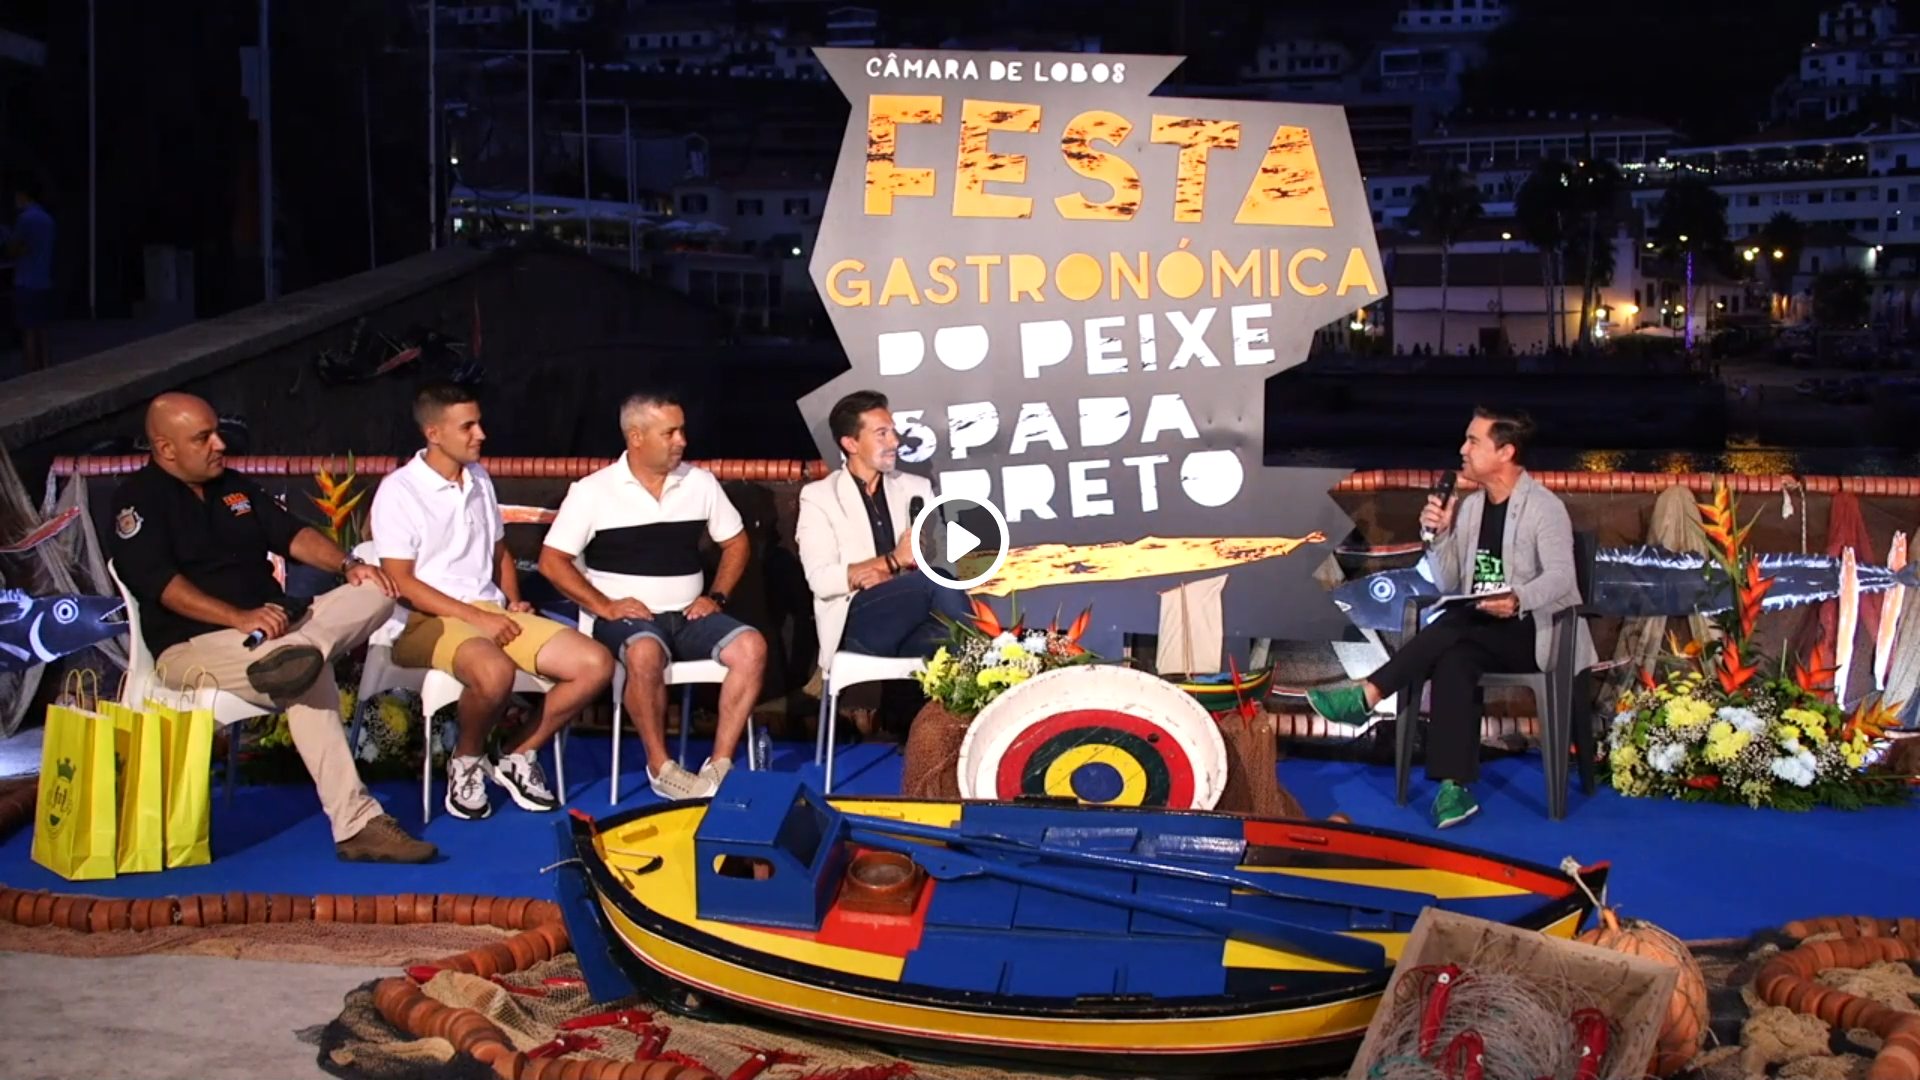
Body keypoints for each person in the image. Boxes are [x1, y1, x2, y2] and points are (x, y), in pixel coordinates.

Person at [108, 392, 435, 863]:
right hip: (197, 645)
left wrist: (348, 565)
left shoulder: (232, 486)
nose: (220, 444)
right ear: (165, 448)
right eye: (203, 438)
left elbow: (291, 534)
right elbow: (161, 586)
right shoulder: (137, 501)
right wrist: (239, 618)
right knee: (304, 675)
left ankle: (299, 652)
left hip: (284, 627)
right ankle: (358, 823)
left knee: (377, 590)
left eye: (217, 432)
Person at [1306, 407, 1595, 829]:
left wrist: (1518, 598)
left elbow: (1562, 578)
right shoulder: (1473, 507)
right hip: (1478, 629)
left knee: (1453, 630)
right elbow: (1449, 581)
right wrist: (1440, 536)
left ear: (1506, 452)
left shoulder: (1543, 507)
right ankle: (1452, 787)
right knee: (1455, 655)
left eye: (1474, 441)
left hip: (1533, 631)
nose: (1463, 449)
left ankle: (1368, 694)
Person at [369, 382, 615, 821]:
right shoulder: (398, 491)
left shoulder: (479, 477)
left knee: (595, 664)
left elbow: (500, 552)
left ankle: (516, 752)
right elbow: (401, 582)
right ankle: (466, 761)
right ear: (433, 433)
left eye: (479, 423)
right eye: (467, 426)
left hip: (488, 612)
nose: (480, 434)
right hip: (421, 620)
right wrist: (477, 618)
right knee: (494, 671)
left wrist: (513, 602)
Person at [537, 392, 766, 801]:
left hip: (689, 616)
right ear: (636, 437)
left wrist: (716, 596)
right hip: (626, 621)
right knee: (644, 652)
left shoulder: (700, 483)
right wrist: (604, 606)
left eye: (682, 431)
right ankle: (662, 767)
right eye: (670, 433)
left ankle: (719, 765)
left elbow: (736, 543)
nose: (682, 441)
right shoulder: (592, 491)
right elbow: (552, 561)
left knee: (752, 647)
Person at [795, 390, 971, 667]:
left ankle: (978, 669)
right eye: (882, 434)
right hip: (856, 624)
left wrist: (892, 581)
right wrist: (892, 561)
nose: (895, 441)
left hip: (912, 620)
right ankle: (989, 661)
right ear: (851, 443)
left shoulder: (916, 488)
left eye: (893, 432)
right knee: (935, 584)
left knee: (948, 635)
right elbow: (821, 579)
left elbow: (943, 564)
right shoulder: (819, 497)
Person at [7, 179, 56, 373]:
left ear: (23, 195)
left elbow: (14, 249)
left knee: (28, 331)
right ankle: (46, 369)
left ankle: (30, 373)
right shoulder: (47, 219)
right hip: (43, 280)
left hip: (26, 282)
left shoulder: (25, 219)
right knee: (41, 330)